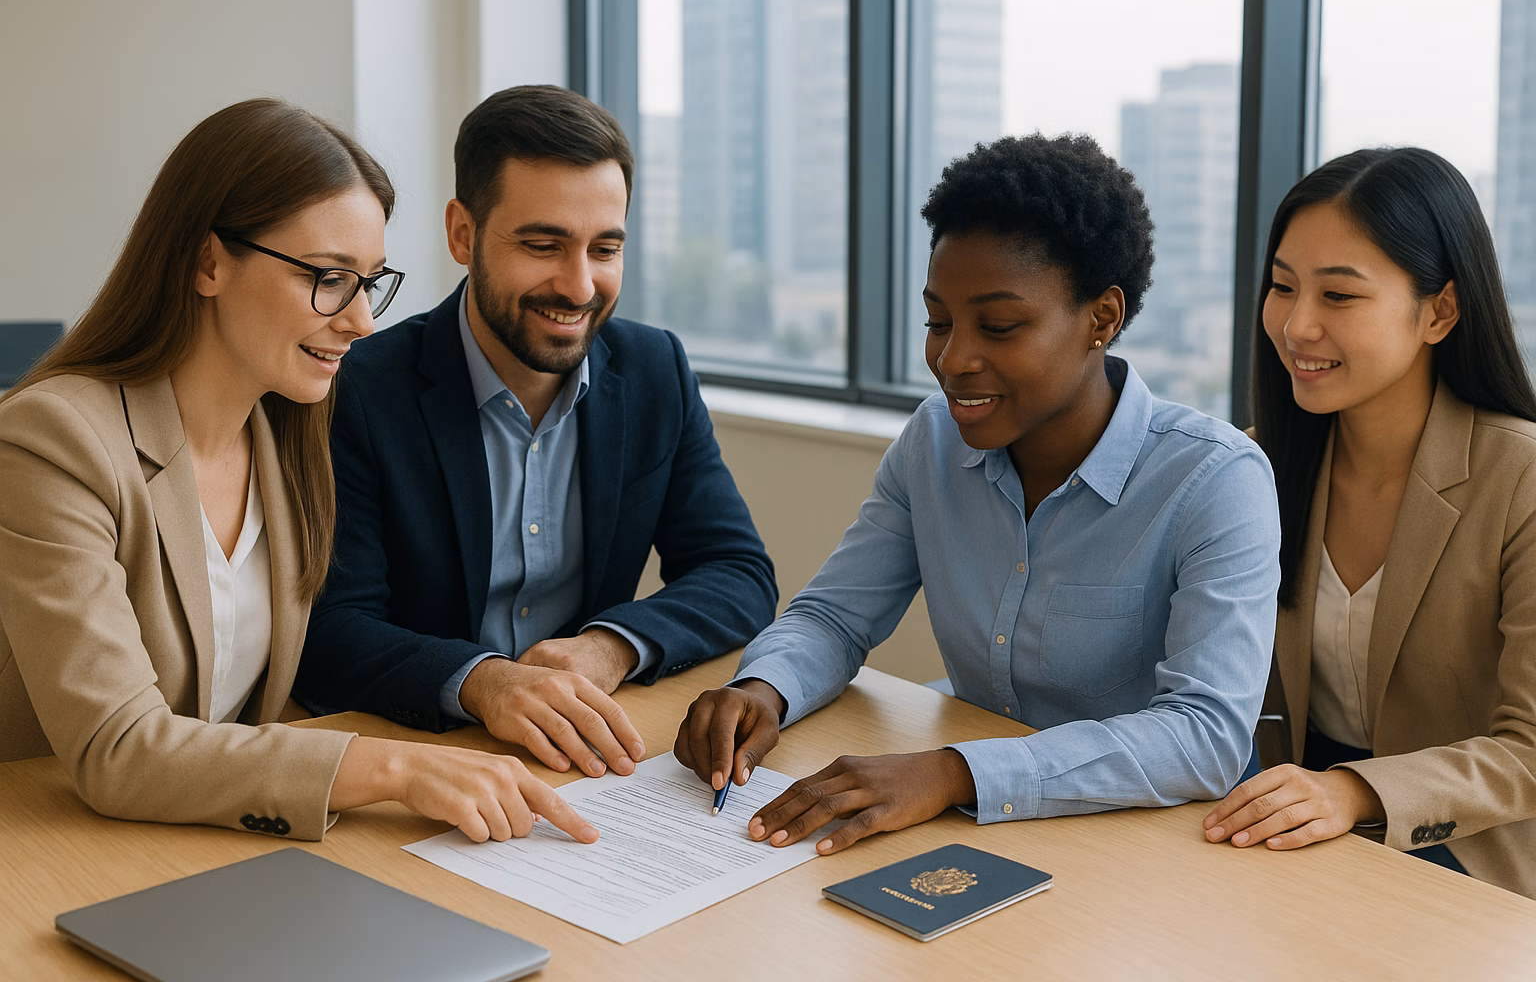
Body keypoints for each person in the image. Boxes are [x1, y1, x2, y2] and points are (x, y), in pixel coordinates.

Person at [0, 99, 597, 846]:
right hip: (46, 851)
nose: (360, 321)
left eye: (371, 281)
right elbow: (118, 746)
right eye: (327, 277)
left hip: (202, 840)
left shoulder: (289, 432)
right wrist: (397, 770)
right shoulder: (55, 440)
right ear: (208, 261)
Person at [674, 134, 1281, 854]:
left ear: (1102, 318)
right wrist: (762, 689)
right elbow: (836, 618)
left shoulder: (1215, 479)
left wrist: (956, 773)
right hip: (983, 833)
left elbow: (1204, 736)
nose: (953, 358)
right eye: (938, 321)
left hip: (1155, 846)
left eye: (999, 326)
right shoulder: (932, 441)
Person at [295, 85, 776, 780]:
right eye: (544, 244)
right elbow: (330, 629)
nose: (579, 286)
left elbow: (738, 573)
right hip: (419, 757)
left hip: (579, 758)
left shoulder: (654, 370)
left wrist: (610, 647)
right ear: (462, 234)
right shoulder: (356, 388)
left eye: (604, 249)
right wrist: (484, 682)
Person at [1202, 147, 1536, 899]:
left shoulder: (1523, 480)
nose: (1296, 325)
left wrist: (1354, 793)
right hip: (1286, 836)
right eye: (1282, 287)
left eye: (1340, 296)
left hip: (1472, 865)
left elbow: (1531, 750)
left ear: (1439, 311)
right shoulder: (1253, 466)